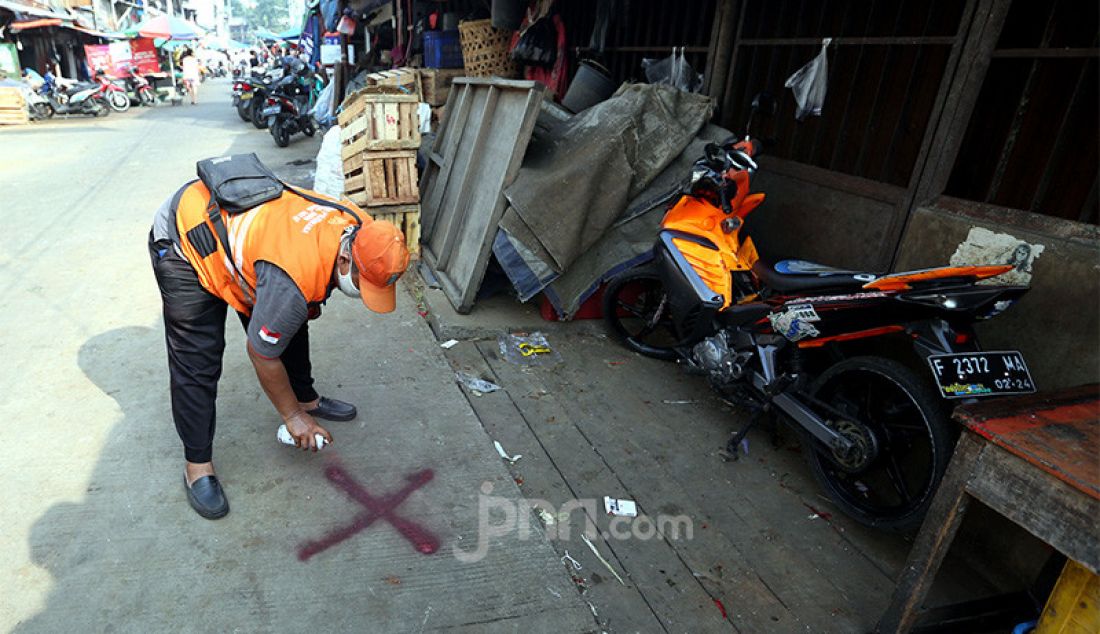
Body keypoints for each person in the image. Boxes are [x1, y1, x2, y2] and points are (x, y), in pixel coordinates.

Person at [148, 162, 410, 519]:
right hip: (188, 237)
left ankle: (308, 398)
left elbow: (298, 297)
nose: (366, 294)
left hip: (251, 240)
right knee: (198, 358)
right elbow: (261, 353)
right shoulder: (291, 278)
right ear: (347, 256)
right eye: (365, 285)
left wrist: (301, 402)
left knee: (292, 318)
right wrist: (292, 417)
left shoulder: (357, 224)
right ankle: (197, 467)